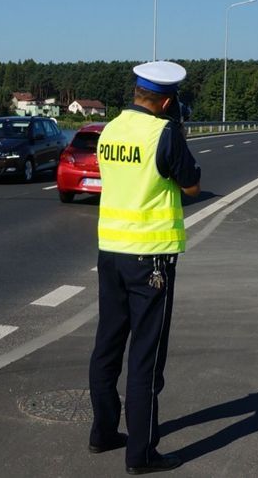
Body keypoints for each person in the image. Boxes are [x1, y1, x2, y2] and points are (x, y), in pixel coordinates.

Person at [88, 60, 201, 475]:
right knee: (146, 359)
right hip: (151, 256)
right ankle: (141, 454)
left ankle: (102, 432)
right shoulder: (165, 133)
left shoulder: (110, 130)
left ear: (137, 94)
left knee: (108, 345)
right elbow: (191, 184)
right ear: (168, 101)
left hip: (110, 251)